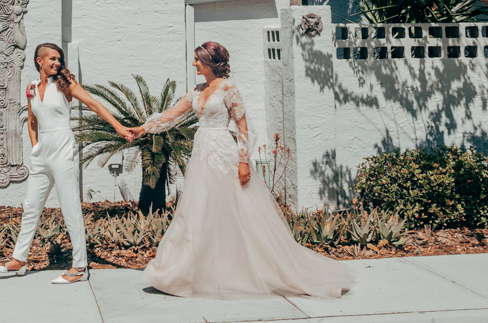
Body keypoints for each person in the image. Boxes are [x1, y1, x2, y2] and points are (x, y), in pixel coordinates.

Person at [130, 41, 354, 300]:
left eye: (197, 60)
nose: (194, 64)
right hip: (202, 154)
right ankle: (179, 273)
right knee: (196, 211)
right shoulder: (195, 90)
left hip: (224, 154)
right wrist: (143, 128)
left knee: (237, 210)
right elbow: (171, 115)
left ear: (210, 62)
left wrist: (244, 160)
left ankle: (250, 268)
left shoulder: (229, 89)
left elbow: (242, 125)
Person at [0, 42, 135, 284]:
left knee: (70, 208)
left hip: (62, 147)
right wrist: (35, 146)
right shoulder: (32, 87)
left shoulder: (65, 84)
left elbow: (94, 104)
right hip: (42, 153)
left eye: (59, 59)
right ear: (40, 61)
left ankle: (79, 267)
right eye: (52, 59)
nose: (57, 63)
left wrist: (118, 127)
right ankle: (19, 259)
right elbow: (32, 119)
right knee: (31, 207)